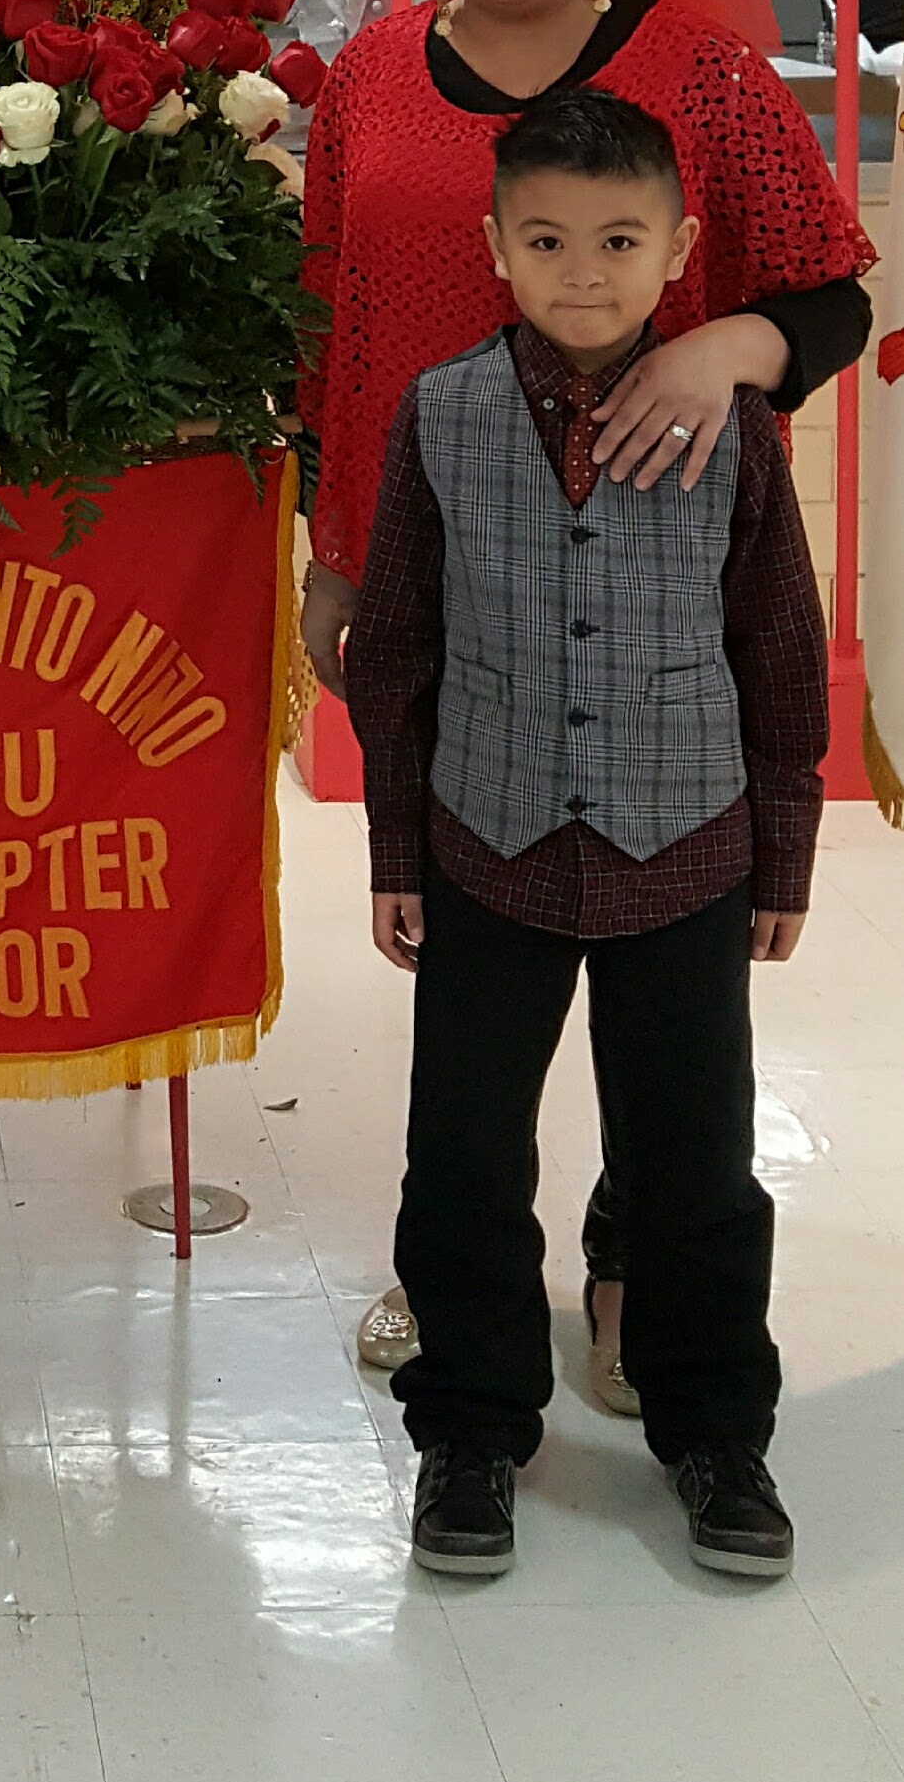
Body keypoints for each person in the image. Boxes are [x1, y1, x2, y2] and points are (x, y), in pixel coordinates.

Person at [298, 0, 871, 1397]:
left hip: (644, 587)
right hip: (441, 571)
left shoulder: (696, 71)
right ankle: (460, 1291)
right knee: (467, 986)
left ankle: (636, 1263)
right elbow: (341, 330)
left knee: (660, 978)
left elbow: (829, 289)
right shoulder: (373, 82)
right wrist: (332, 551)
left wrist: (726, 337)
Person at [345, 90, 821, 1580]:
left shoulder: (732, 424)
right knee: (465, 1156)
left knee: (693, 1159)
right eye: (544, 238)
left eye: (617, 240)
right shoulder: (438, 408)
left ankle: (710, 1427)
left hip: (681, 843)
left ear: (675, 248)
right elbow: (399, 638)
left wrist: (782, 848)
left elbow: (775, 639)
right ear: (495, 245)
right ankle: (471, 1430)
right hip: (485, 839)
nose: (581, 270)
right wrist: (395, 846)